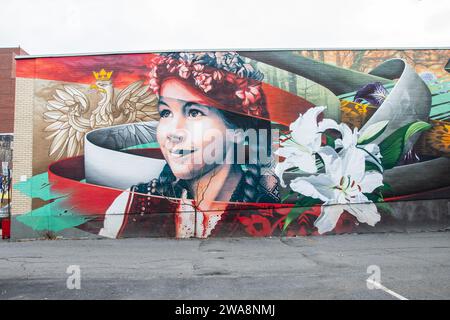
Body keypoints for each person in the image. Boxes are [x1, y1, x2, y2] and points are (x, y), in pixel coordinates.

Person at [99, 52, 281, 239]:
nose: (173, 132)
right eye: (166, 113)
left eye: (194, 113)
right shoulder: (134, 203)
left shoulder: (270, 214)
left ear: (238, 130)